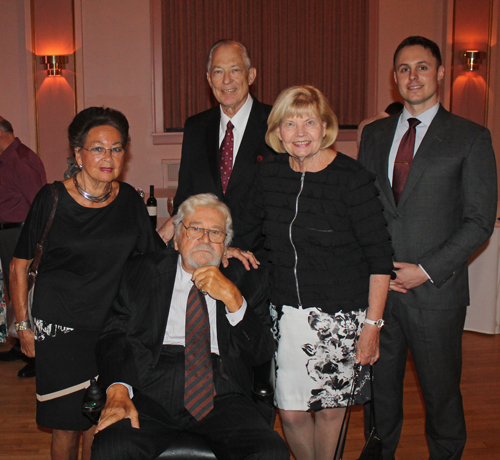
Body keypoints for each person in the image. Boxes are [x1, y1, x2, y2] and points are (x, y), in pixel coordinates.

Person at [232, 86, 394, 460]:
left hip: (339, 320)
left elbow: (380, 259)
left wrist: (372, 327)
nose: (300, 131)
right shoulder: (269, 172)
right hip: (285, 314)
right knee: (289, 412)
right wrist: (226, 242)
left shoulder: (351, 179)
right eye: (290, 122)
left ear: (325, 127)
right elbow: (243, 224)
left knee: (330, 413)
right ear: (278, 131)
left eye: (309, 121)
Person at [358, 36, 497, 460]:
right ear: (394, 77)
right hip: (380, 294)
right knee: (380, 396)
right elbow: (363, 210)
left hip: (436, 293)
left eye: (422, 67)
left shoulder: (470, 137)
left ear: (439, 73)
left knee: (441, 397)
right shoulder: (374, 135)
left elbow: (478, 222)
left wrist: (425, 270)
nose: (412, 76)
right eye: (403, 68)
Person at [9, 107, 164, 460]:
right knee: (66, 425)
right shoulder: (51, 199)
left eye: (116, 148)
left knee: (102, 423)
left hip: (110, 331)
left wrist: (198, 238)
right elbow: (19, 267)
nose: (108, 157)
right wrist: (23, 326)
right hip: (60, 330)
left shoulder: (128, 200)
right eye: (97, 148)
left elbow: (151, 258)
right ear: (78, 153)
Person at [90, 193, 289, 460]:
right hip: (151, 386)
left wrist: (234, 300)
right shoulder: (141, 271)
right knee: (112, 447)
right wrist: (118, 389)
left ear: (226, 242)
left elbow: (262, 353)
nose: (205, 239)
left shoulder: (248, 279)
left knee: (270, 452)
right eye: (195, 229)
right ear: (176, 237)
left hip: (223, 390)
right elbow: (114, 335)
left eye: (215, 232)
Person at [159, 39, 274, 243]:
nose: (226, 80)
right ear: (209, 79)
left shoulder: (276, 123)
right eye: (218, 71)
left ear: (251, 75)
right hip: (204, 255)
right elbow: (185, 197)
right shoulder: (195, 127)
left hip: (258, 259)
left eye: (235, 70)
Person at [0, 116, 46, 378]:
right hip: (10, 233)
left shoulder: (20, 159)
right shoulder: (8, 159)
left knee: (28, 294)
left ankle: (38, 355)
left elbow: (39, 204)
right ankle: (20, 344)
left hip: (21, 234)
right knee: (15, 292)